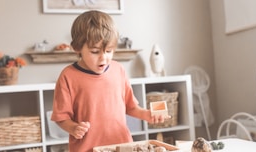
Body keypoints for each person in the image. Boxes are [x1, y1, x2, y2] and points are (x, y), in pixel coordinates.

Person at [51, 10, 169, 152]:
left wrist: (146, 114)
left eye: (109, 51)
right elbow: (61, 117)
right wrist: (74, 128)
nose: (103, 58)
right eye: (95, 52)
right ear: (77, 48)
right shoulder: (68, 76)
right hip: (87, 148)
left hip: (122, 146)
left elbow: (130, 106)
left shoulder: (118, 70)